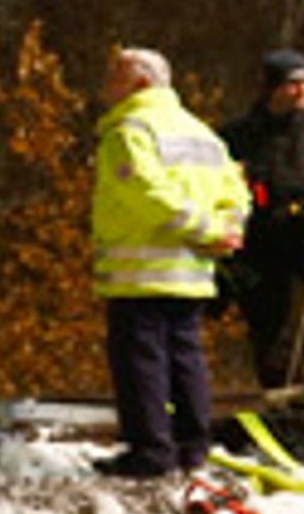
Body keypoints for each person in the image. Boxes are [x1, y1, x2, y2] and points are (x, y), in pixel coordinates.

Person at [89, 46, 248, 478]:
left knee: (140, 361)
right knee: (186, 357)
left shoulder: (128, 131)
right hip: (192, 271)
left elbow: (146, 194)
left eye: (115, 76)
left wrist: (202, 229)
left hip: (140, 273)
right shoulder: (203, 134)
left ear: (141, 83)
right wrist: (222, 231)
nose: (106, 86)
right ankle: (193, 446)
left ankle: (151, 450)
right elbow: (238, 195)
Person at [214, 49, 304, 392]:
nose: (302, 91)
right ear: (271, 88)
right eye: (292, 84)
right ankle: (282, 395)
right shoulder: (237, 135)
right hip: (261, 237)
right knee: (269, 322)